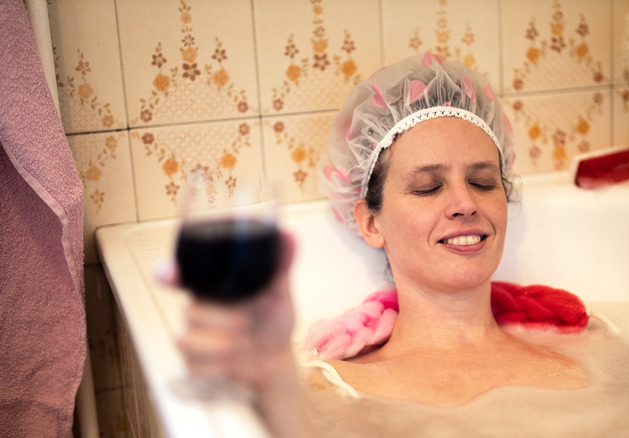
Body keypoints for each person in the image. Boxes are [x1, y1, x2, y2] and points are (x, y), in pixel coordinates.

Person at [176, 54, 589, 437]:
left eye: (482, 182)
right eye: (428, 188)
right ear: (371, 223)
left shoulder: (581, 361)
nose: (465, 203)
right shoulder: (333, 391)